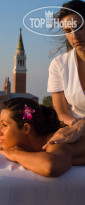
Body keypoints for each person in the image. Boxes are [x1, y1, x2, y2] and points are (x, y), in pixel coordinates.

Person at [0, 97, 85, 177]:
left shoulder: (55, 141)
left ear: (26, 128)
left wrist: (15, 154)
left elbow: (51, 166)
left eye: (4, 125)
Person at [47, 0, 85, 144]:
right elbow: (61, 113)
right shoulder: (59, 64)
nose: (75, 36)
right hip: (74, 133)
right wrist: (78, 126)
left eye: (79, 27)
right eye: (68, 31)